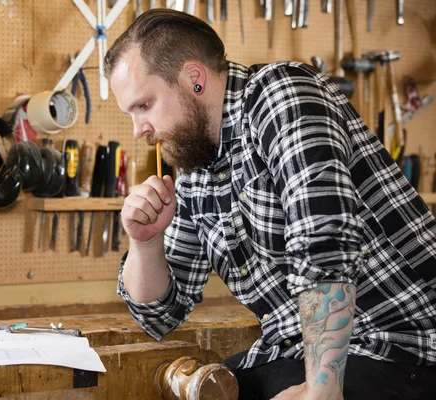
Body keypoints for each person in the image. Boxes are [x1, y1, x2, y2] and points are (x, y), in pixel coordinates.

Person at [103, 8, 436, 400]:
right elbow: (159, 316)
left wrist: (322, 388)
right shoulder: (194, 168)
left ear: (194, 79)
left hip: (405, 346)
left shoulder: (281, 92)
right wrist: (144, 243)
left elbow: (324, 240)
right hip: (301, 352)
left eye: (144, 105)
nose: (139, 129)